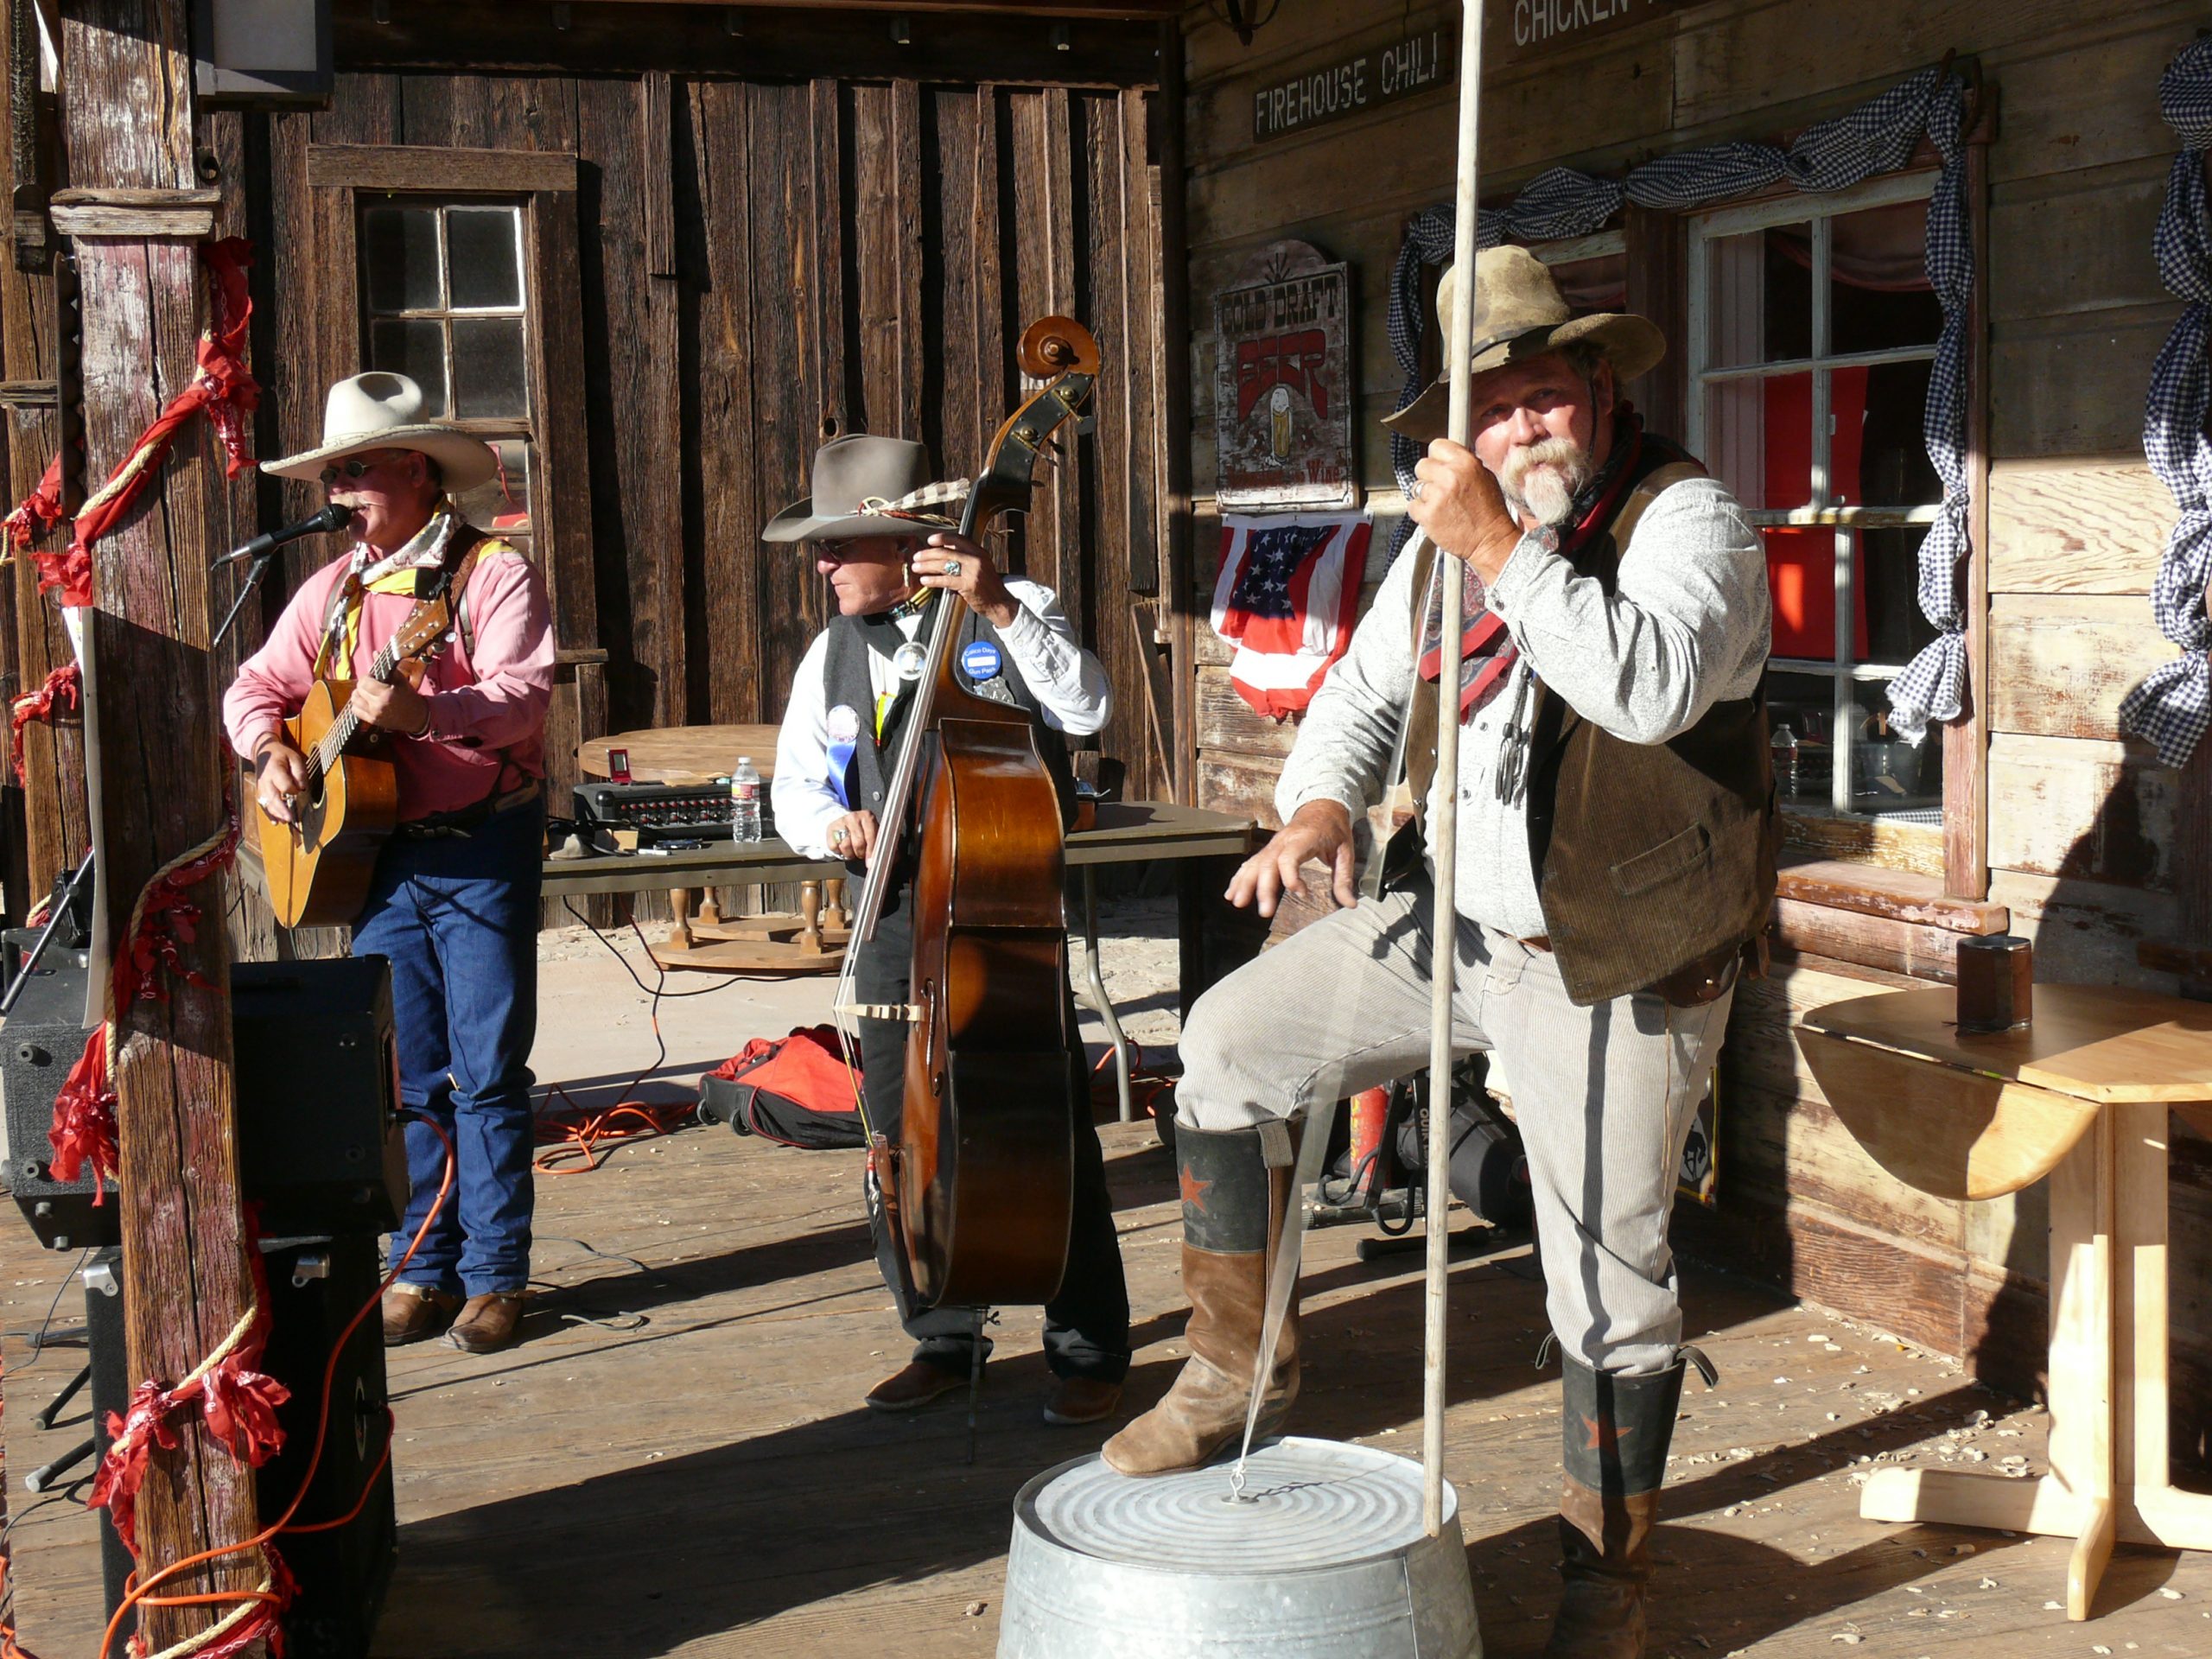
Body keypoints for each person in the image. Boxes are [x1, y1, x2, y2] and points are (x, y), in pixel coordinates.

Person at [1103, 247, 1776, 1659]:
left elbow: (1647, 690)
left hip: (1619, 949)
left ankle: (1609, 1584)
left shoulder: (1691, 523)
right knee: (1226, 1051)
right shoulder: (1447, 543)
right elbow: (1358, 695)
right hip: (1454, 925)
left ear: (1600, 390)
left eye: (1541, 399)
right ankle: (1237, 1371)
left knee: (1612, 1277)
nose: (1517, 431)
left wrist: (1498, 549)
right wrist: (1321, 808)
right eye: (1490, 409)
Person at [766, 435, 1131, 1427]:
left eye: (839, 545)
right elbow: (792, 786)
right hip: (889, 911)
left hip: (999, 917)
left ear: (909, 540)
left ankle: (1089, 1349)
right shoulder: (829, 651)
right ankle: (941, 1333)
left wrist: (1000, 606)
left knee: (1047, 1130)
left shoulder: (1012, 608)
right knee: (897, 1131)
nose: (822, 564)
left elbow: (1085, 706)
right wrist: (827, 824)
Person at [225, 372, 556, 1357]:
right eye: (332, 473)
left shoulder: (491, 573)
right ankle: (422, 1264)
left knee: (487, 1073)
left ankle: (497, 1276)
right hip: (376, 858)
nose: (337, 490)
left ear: (414, 469)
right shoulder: (331, 589)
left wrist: (429, 712)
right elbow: (255, 685)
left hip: (479, 848)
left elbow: (524, 696)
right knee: (406, 1074)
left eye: (355, 470)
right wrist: (271, 753)